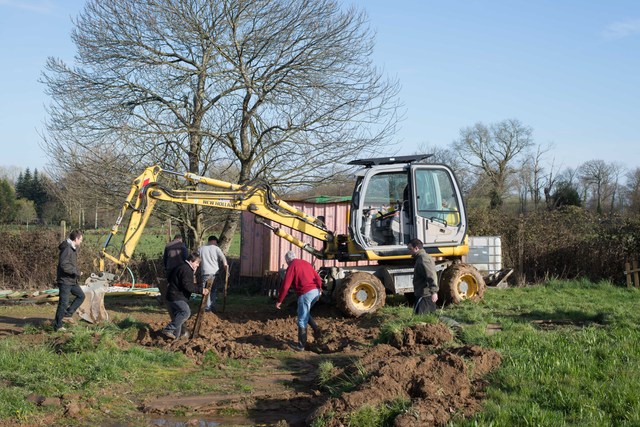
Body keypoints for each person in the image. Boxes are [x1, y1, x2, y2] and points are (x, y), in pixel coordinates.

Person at [275, 251, 322, 351]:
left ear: (287, 260)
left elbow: (286, 285)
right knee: (304, 312)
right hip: (315, 291)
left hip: (305, 293)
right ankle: (316, 329)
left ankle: (301, 345)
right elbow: (317, 278)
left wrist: (280, 300)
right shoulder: (306, 263)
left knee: (301, 319)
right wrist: (319, 289)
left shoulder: (292, 266)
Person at [162, 252, 209, 339]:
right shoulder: (187, 270)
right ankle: (168, 329)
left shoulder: (180, 266)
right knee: (186, 312)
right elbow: (187, 286)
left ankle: (176, 338)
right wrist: (200, 290)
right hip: (176, 297)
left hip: (171, 295)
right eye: (197, 263)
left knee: (178, 317)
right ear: (191, 261)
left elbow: (170, 278)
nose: (198, 265)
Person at [53, 230, 85, 331]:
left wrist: (76, 272)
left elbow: (69, 264)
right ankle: (58, 326)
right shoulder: (67, 249)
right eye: (80, 240)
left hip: (71, 280)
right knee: (63, 302)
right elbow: (64, 265)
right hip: (65, 280)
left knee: (81, 296)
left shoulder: (72, 248)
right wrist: (76, 272)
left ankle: (67, 315)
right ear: (76, 239)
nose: (81, 242)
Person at [407, 238, 439, 314]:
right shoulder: (420, 258)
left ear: (416, 248)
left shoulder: (423, 259)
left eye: (410, 249)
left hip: (425, 296)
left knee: (421, 320)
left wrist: (434, 292)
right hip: (422, 295)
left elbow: (431, 275)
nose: (409, 251)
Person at [198, 235, 228, 312]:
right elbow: (223, 259)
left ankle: (208, 307)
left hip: (205, 272)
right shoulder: (216, 248)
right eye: (216, 242)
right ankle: (212, 306)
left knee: (206, 290)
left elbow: (196, 260)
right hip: (214, 273)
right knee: (213, 290)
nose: (216, 244)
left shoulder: (201, 249)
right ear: (213, 241)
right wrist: (226, 270)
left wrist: (193, 272)